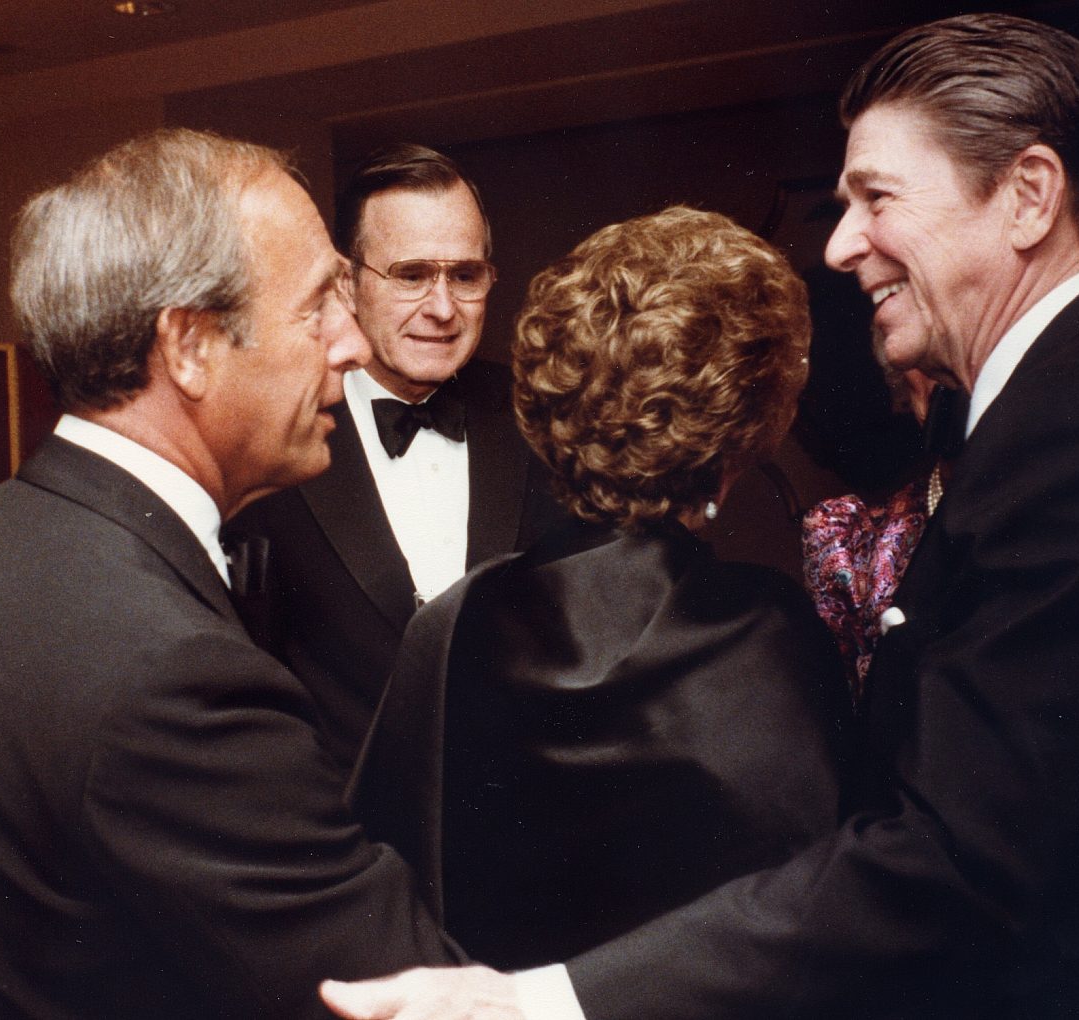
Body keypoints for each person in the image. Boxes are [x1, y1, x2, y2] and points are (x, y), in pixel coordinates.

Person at [320, 13, 1079, 1020]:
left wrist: (540, 1001)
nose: (840, 241)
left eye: (874, 197)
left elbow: (964, 854)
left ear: (1028, 195)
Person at [0, 129, 462, 1020]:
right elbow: (398, 996)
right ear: (190, 347)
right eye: (317, 307)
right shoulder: (173, 678)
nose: (353, 346)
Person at [344, 205, 853, 971]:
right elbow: (819, 910)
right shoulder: (767, 629)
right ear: (749, 424)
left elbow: (389, 888)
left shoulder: (454, 622)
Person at [226, 143, 561, 771]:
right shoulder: (273, 436)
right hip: (339, 841)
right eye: (411, 275)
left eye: (464, 276)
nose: (441, 309)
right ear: (347, 283)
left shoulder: (545, 420)